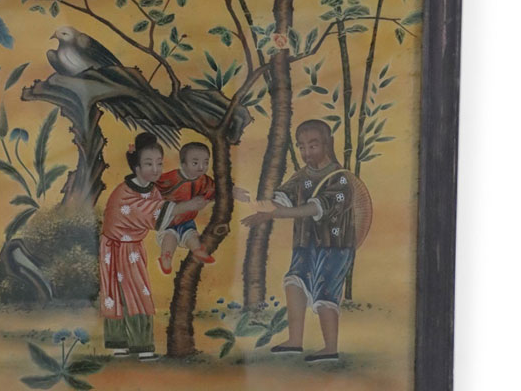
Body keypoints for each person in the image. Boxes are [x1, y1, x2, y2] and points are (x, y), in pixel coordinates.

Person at [241, 118, 368, 362]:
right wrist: (264, 209)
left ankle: (330, 348)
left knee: (325, 291)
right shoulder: (302, 176)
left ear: (328, 144)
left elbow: (315, 208)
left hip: (334, 246)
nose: (306, 152)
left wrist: (279, 213)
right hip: (304, 244)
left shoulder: (341, 179)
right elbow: (284, 197)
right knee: (294, 283)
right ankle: (295, 340)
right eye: (301, 146)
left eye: (313, 145)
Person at [98, 132, 206, 358]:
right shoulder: (124, 193)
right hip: (117, 248)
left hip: (132, 248)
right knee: (125, 292)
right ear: (136, 167)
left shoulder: (152, 189)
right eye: (149, 164)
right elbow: (149, 212)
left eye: (159, 163)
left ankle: (133, 344)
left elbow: (161, 214)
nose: (156, 169)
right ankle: (133, 346)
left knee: (134, 291)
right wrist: (187, 206)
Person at [155, 141, 251, 273]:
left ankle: (197, 251)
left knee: (192, 236)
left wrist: (232, 191)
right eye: (195, 163)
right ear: (183, 164)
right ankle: (166, 258)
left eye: (205, 162)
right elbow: (154, 186)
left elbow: (217, 190)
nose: (201, 167)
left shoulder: (204, 180)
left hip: (187, 220)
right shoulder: (172, 178)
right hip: (169, 220)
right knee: (169, 237)